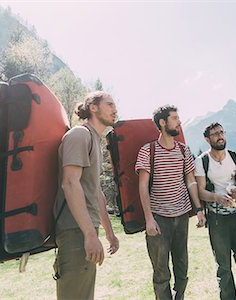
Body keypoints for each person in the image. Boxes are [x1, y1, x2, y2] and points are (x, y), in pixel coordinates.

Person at [53, 91, 120, 300]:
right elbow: (70, 183)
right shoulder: (80, 135)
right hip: (75, 230)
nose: (115, 109)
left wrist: (109, 233)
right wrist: (90, 235)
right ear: (93, 107)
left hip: (84, 229)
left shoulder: (94, 140)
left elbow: (95, 191)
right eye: (109, 104)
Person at [135, 105, 206, 300]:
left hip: (181, 216)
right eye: (175, 118)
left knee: (182, 268)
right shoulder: (147, 151)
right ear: (163, 123)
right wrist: (149, 219)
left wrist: (198, 209)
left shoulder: (183, 150)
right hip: (159, 219)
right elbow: (143, 186)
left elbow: (191, 181)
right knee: (161, 272)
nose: (179, 121)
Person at [194, 122, 236, 300]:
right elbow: (200, 191)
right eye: (215, 134)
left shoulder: (235, 157)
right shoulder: (202, 161)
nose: (220, 136)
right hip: (217, 219)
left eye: (221, 132)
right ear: (207, 139)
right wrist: (217, 198)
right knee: (224, 267)